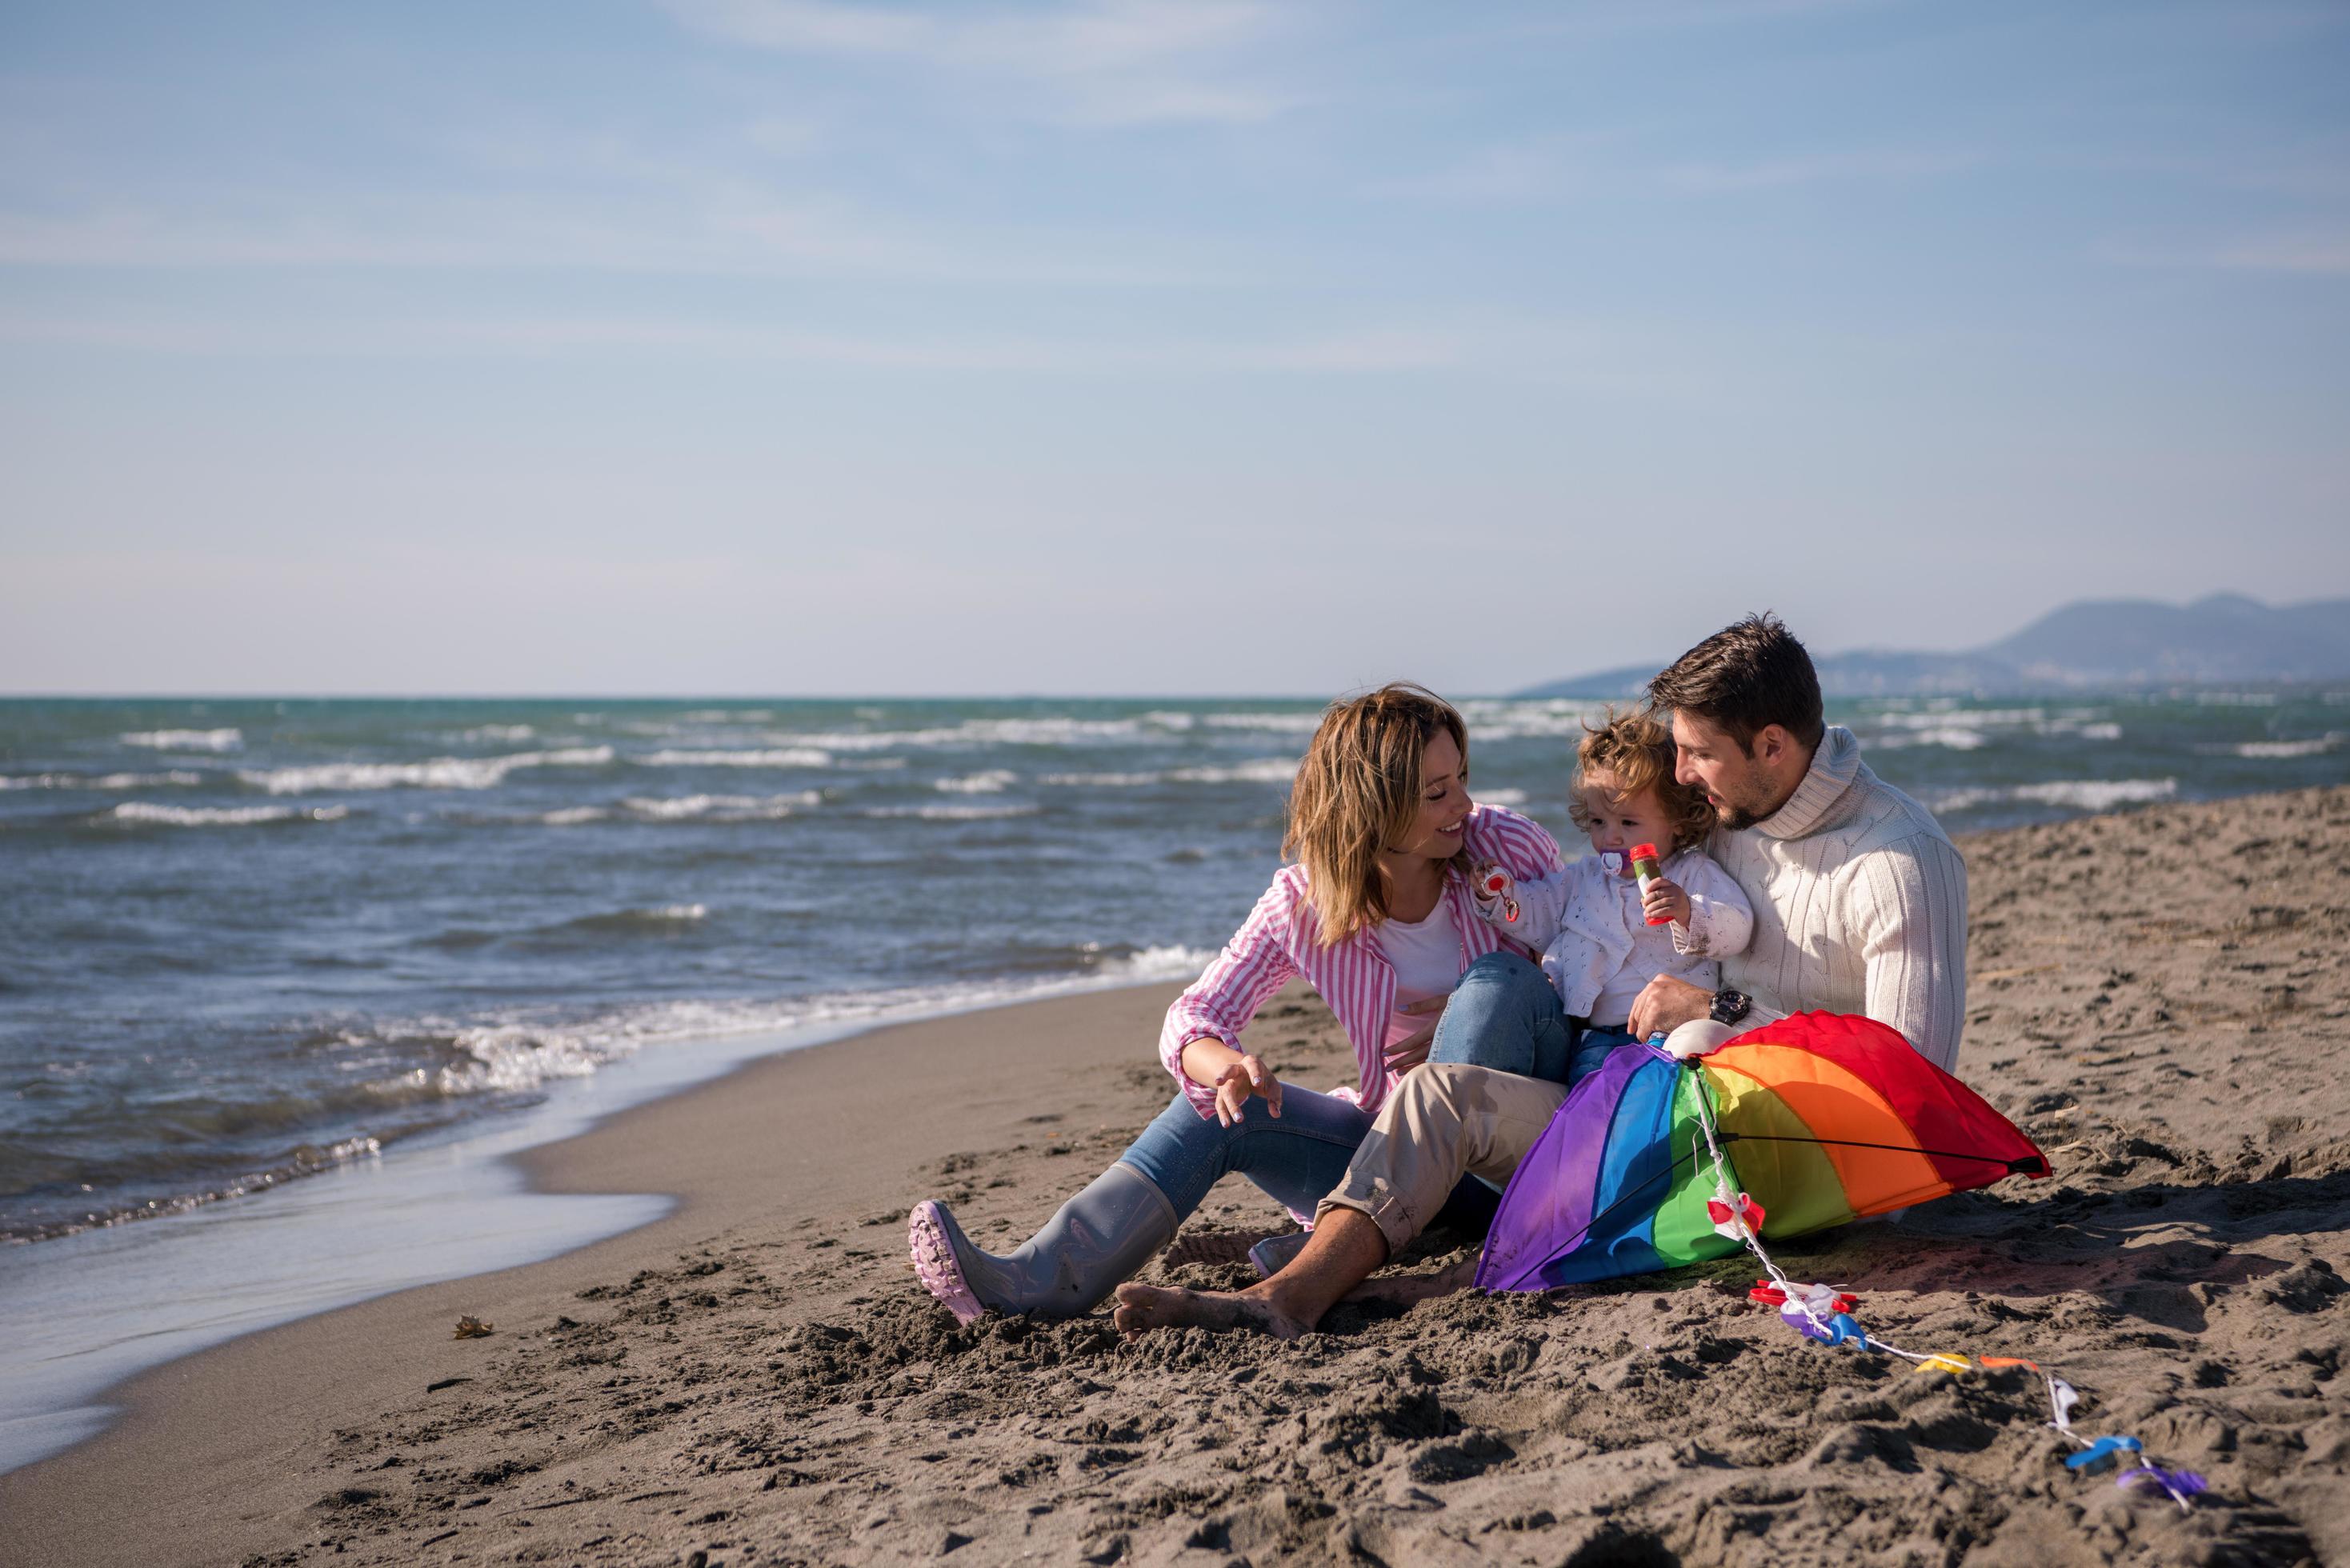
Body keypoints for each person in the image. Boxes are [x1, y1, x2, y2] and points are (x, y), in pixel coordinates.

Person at [1111, 614, 1970, 1341]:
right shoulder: (1729, 820)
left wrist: (1720, 1007)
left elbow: (1908, 1093)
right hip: (1645, 1103)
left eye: (1694, 755)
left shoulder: (1897, 862)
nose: (1676, 780)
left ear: (1772, 746)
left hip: (1757, 1158)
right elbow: (1590, 895)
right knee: (1436, 1094)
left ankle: (1291, 1291)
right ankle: (1314, 1275)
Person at [907, 682, 1569, 1325]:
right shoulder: (1302, 902)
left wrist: (1464, 1034)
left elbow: (1603, 961)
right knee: (1230, 1105)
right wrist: (1221, 1064)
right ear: (1373, 804)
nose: (1464, 802)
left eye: (1459, 779)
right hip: (1394, 1162)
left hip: (1522, 1156)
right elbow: (1193, 1015)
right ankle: (1039, 1277)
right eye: (1436, 792)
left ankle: (1342, 1250)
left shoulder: (1504, 847)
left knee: (1495, 985)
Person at [1469, 707, 1752, 1085]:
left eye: (1629, 823)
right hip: (1597, 1037)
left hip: (1673, 1031)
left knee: (1665, 1103)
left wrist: (1688, 911)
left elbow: (1738, 927)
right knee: (1590, 1102)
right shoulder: (1582, 878)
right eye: (1599, 822)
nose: (1611, 837)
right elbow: (1538, 912)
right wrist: (1502, 895)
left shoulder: (1691, 873)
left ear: (1678, 820)